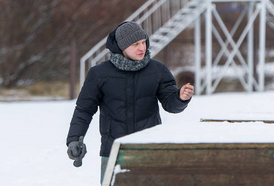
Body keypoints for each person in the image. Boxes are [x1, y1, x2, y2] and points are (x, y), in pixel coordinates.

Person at [66, 21, 194, 184]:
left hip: (149, 148)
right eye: (135, 44)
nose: (142, 48)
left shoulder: (157, 70)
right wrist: (74, 139)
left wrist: (180, 98)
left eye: (143, 42)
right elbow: (84, 110)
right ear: (122, 46)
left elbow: (171, 104)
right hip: (113, 151)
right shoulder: (99, 74)